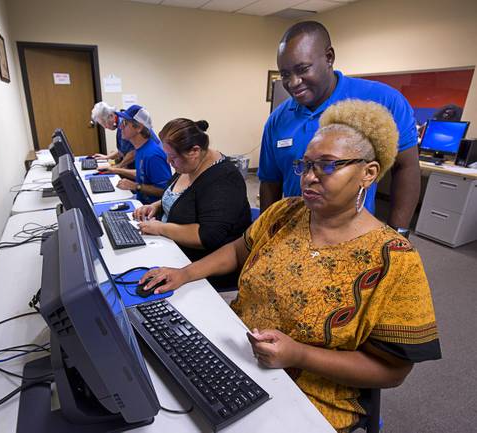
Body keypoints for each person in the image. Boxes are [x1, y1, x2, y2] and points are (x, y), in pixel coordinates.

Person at [138, 100, 441, 432]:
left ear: (368, 173)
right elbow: (239, 251)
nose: (309, 178)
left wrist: (299, 355)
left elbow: (393, 371)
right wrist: (185, 274)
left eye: (326, 166)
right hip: (238, 353)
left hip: (311, 394)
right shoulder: (286, 213)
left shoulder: (393, 258)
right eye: (306, 165)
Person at [258, 21, 420, 239]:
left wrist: (398, 234)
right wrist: (267, 234)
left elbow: (406, 167)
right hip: (294, 234)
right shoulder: (278, 120)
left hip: (352, 235)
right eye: (285, 74)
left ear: (329, 57)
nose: (293, 82)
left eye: (303, 69)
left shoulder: (383, 100)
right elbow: (270, 183)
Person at [133, 118, 251, 290]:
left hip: (201, 266)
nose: (168, 162)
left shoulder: (223, 180)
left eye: (172, 157)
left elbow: (207, 236)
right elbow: (182, 196)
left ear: (194, 151)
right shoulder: (189, 166)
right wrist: (158, 205)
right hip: (174, 249)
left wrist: (160, 228)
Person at [102, 105, 172, 204]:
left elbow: (164, 191)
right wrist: (115, 169)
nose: (120, 126)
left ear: (138, 127)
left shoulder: (152, 155)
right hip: (140, 202)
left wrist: (135, 186)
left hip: (150, 211)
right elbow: (142, 174)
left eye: (125, 123)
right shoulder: (140, 149)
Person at [90, 102, 136, 169]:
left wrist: (117, 167)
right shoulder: (120, 119)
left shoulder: (123, 124)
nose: (105, 127)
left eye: (104, 122)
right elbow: (123, 150)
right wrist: (107, 157)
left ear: (111, 116)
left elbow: (133, 152)